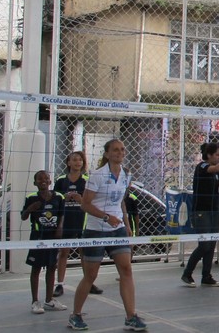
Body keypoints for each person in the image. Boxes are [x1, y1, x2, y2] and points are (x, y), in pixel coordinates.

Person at [68, 139, 147, 331]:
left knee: (126, 270)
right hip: (96, 229)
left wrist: (126, 225)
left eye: (122, 149)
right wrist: (105, 217)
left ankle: (130, 316)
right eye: (115, 150)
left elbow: (121, 202)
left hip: (117, 228)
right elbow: (85, 204)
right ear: (107, 154)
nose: (120, 153)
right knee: (91, 275)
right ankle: (75, 315)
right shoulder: (97, 175)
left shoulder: (126, 175)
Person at [181, 142, 219, 287]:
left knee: (212, 243)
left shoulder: (217, 172)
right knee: (204, 245)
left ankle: (206, 276)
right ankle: (187, 273)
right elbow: (214, 168)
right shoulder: (202, 167)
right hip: (201, 211)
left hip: (214, 210)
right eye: (218, 155)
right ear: (209, 155)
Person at [53, 151, 103, 297]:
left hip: (83, 221)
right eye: (74, 160)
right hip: (67, 221)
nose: (77, 162)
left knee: (85, 254)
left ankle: (89, 282)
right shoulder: (61, 180)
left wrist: (79, 199)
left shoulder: (87, 180)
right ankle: (59, 284)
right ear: (68, 163)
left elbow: (90, 202)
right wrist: (65, 198)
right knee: (63, 253)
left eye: (80, 160)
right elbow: (55, 200)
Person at [22, 170, 67, 314]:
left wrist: (60, 228)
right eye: (39, 179)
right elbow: (23, 217)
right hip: (37, 238)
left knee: (52, 266)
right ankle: (35, 301)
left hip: (53, 237)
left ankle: (49, 300)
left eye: (46, 178)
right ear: (35, 183)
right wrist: (30, 209)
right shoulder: (31, 198)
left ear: (50, 181)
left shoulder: (58, 197)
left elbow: (61, 214)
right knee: (36, 268)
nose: (43, 180)